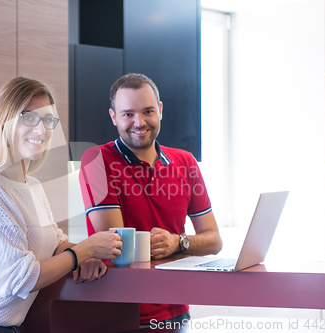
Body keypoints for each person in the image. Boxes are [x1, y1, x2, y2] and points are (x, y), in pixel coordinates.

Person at [0, 77, 122, 333]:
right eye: (29, 118)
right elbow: (16, 277)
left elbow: (54, 243)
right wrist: (82, 252)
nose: (41, 129)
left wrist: (84, 252)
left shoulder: (32, 186)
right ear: (4, 121)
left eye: (48, 120)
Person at [79, 73, 223, 327]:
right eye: (128, 114)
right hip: (119, 314)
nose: (139, 122)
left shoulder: (186, 162)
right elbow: (117, 245)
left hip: (177, 310)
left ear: (160, 110)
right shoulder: (95, 160)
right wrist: (173, 245)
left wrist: (179, 242)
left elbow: (214, 240)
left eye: (147, 111)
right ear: (113, 117)